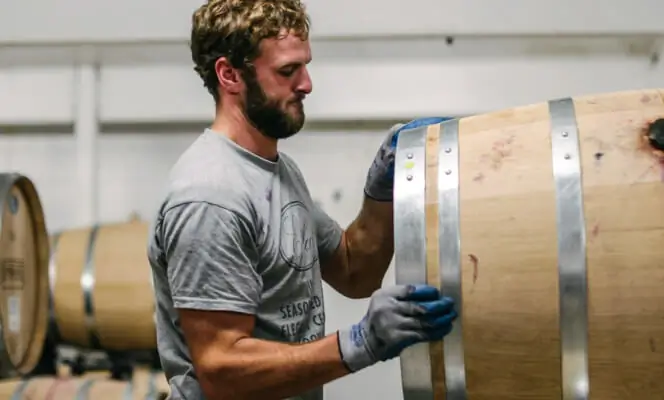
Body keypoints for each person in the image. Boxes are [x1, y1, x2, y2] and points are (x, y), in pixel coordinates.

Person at [146, 0, 458, 399]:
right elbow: (222, 369)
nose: (307, 84)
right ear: (229, 75)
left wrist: (382, 190)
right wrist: (360, 343)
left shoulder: (277, 170)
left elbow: (353, 272)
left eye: (305, 66)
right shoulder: (210, 195)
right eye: (287, 71)